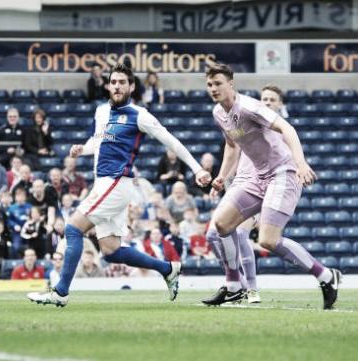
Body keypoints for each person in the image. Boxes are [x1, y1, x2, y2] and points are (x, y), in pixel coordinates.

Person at [27, 63, 211, 307]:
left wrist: (197, 168)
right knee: (111, 251)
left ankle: (60, 292)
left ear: (132, 86)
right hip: (104, 184)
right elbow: (98, 140)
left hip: (115, 183)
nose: (117, 86)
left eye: (122, 82)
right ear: (108, 85)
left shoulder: (139, 115)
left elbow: (172, 142)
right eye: (113, 82)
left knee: (72, 229)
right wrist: (83, 149)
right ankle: (167, 268)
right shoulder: (101, 112)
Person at [202, 63, 340, 309]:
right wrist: (222, 176)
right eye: (210, 84)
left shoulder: (249, 107)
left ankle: (326, 276)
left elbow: (287, 128)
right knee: (220, 224)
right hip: (257, 176)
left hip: (282, 173)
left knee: (268, 239)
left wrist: (300, 163)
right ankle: (234, 286)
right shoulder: (218, 113)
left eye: (218, 83)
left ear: (230, 84)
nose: (213, 88)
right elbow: (232, 146)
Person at [205, 84, 291, 304]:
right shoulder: (249, 122)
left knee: (241, 235)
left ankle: (251, 289)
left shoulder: (279, 131)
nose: (268, 102)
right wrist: (223, 180)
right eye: (265, 99)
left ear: (280, 104)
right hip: (240, 186)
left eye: (273, 99)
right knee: (213, 235)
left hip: (263, 186)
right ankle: (237, 283)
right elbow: (234, 150)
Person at [7, 187, 32, 258]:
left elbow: (33, 218)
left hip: (28, 231)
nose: (20, 198)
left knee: (31, 246)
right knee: (16, 247)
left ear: (25, 197)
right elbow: (8, 220)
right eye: (18, 196)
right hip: (17, 232)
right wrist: (14, 225)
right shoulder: (12, 208)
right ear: (15, 197)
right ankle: (17, 262)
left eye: (22, 196)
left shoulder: (29, 207)